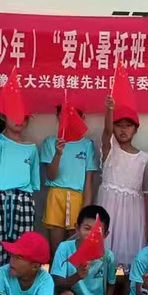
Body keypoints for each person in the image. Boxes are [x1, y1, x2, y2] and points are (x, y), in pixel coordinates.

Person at [0, 104, 41, 271]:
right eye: (14, 115)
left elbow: (33, 182)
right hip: (0, 199)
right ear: (4, 117)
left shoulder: (31, 148)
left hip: (23, 200)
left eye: (24, 117)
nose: (19, 121)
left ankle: (20, 283)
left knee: (23, 248)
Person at [98, 97, 148, 280]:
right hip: (108, 210)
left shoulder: (144, 158)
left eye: (128, 126)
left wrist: (147, 225)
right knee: (103, 255)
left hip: (132, 215)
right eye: (119, 125)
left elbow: (146, 195)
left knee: (125, 262)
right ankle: (104, 292)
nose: (123, 129)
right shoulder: (110, 150)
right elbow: (106, 133)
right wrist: (109, 111)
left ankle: (123, 292)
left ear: (136, 129)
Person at [39, 106, 100, 254]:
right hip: (55, 196)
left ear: (82, 118)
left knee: (76, 248)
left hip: (77, 198)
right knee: (57, 250)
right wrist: (58, 154)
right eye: (64, 117)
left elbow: (89, 182)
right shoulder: (50, 142)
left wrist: (86, 210)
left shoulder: (87, 145)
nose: (68, 121)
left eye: (73, 117)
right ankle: (56, 269)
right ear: (58, 117)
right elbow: (51, 176)